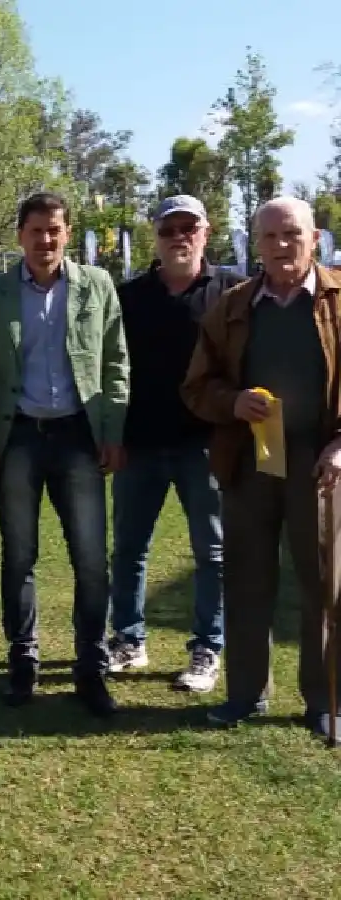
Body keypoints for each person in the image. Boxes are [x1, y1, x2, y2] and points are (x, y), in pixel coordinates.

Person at [181, 196, 341, 737]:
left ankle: (323, 700)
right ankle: (246, 694)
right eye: (269, 237)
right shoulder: (230, 307)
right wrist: (232, 403)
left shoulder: (339, 300)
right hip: (250, 466)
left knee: (323, 584)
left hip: (321, 469)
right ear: (256, 243)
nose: (280, 246)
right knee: (248, 581)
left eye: (291, 234)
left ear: (314, 238)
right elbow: (196, 387)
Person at [0, 191, 128, 716]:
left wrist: (112, 429)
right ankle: (23, 659)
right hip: (19, 440)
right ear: (20, 236)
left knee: (91, 560)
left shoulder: (97, 285)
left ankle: (91, 665)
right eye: (36, 230)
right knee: (20, 556)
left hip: (79, 436)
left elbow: (116, 363)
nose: (46, 240)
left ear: (67, 232)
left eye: (55, 230)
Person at [107, 195, 244, 691]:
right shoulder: (128, 296)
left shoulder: (233, 292)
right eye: (169, 230)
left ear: (207, 232)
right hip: (139, 445)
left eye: (189, 228)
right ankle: (127, 640)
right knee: (128, 550)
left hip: (205, 446)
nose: (179, 237)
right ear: (156, 236)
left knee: (211, 553)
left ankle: (207, 649)